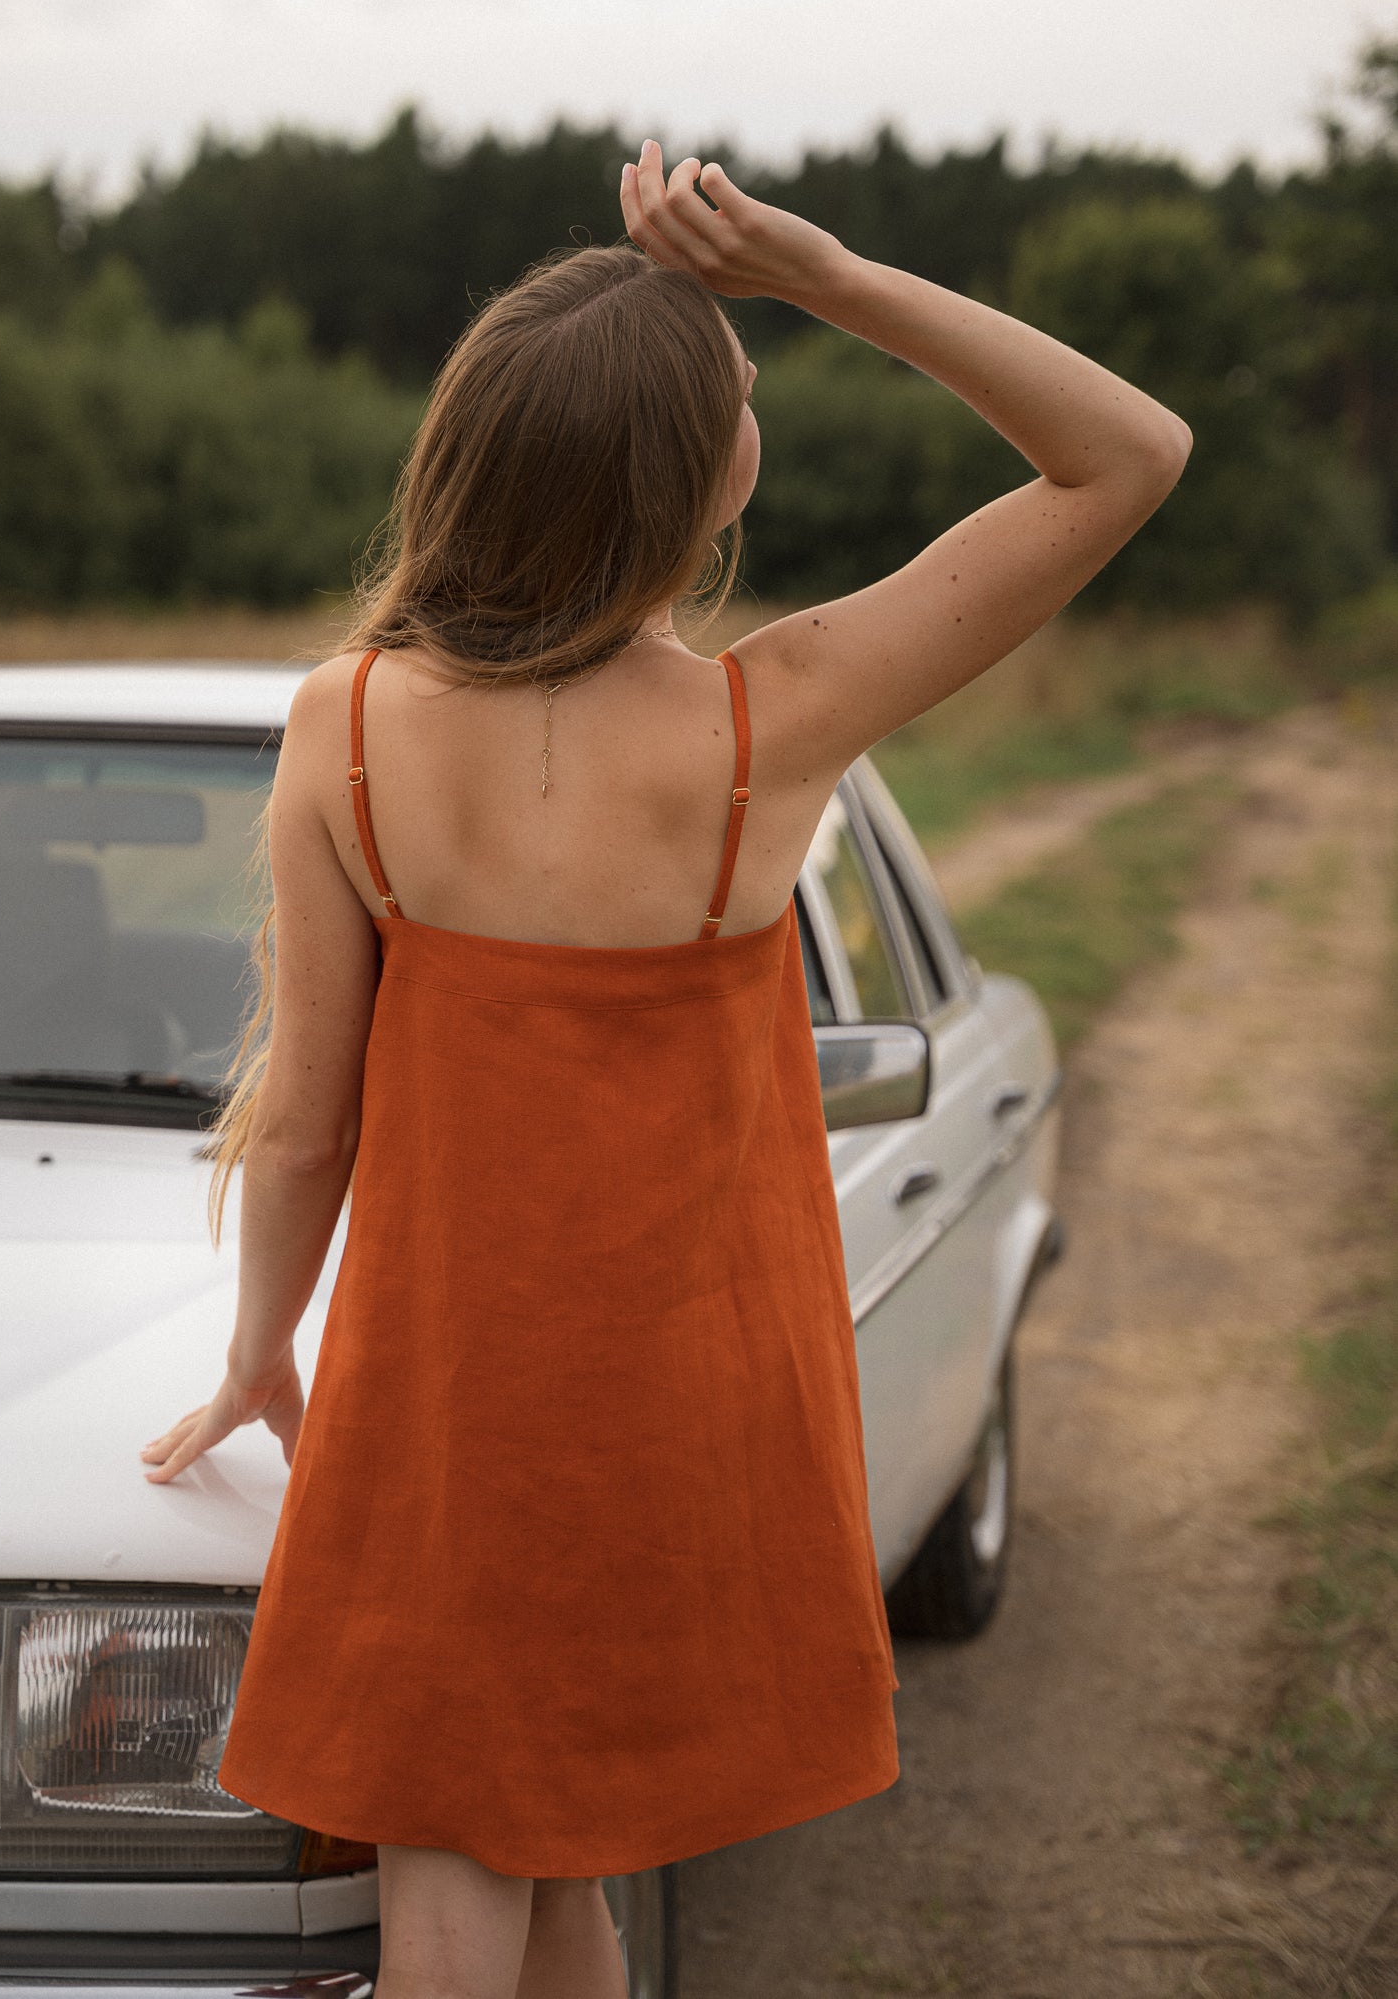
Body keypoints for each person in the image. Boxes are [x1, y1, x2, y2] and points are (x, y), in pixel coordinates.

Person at [138, 141, 1190, 1999]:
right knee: (568, 1887)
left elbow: (305, 1121)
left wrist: (257, 1350)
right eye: (747, 400)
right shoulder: (761, 729)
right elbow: (1128, 452)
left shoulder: (348, 729)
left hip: (446, 1401)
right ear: (699, 480)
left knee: (459, 1869)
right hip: (678, 1417)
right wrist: (826, 274)